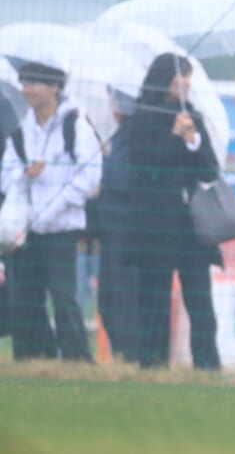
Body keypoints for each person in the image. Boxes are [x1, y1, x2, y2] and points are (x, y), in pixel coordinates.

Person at [125, 53, 222, 370]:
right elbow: (143, 167)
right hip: (154, 223)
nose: (186, 83)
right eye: (181, 76)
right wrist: (174, 137)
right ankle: (152, 361)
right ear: (165, 79)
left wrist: (193, 141)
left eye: (188, 77)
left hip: (191, 223)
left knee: (200, 297)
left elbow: (209, 170)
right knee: (154, 295)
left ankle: (207, 364)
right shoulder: (143, 117)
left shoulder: (191, 115)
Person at [0, 60, 101, 361]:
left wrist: (56, 203)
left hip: (61, 230)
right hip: (26, 232)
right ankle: (31, 358)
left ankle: (77, 359)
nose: (27, 90)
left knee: (63, 296)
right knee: (25, 298)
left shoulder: (76, 127)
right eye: (24, 83)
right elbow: (6, 176)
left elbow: (89, 179)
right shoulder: (22, 132)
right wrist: (25, 174)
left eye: (33, 83)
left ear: (54, 88)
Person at [93, 93, 141, 361]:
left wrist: (102, 166)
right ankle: (122, 355)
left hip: (126, 232)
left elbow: (123, 177)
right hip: (110, 230)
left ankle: (129, 356)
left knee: (122, 299)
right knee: (108, 300)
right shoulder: (118, 135)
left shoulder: (136, 136)